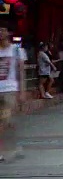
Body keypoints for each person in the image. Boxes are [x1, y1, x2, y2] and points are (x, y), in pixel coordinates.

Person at [0, 25, 26, 162]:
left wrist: (22, 90)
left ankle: (11, 146)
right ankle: (9, 147)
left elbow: (21, 72)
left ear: (8, 32)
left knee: (6, 120)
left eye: (3, 30)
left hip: (10, 88)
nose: (0, 33)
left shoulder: (16, 50)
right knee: (4, 122)